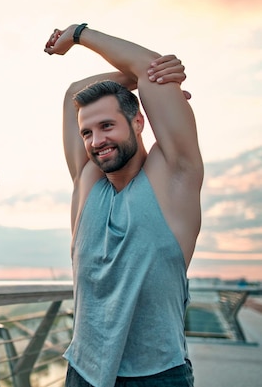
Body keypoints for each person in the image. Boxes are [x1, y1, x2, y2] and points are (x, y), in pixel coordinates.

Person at [44, 24, 203, 387]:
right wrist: (134, 76)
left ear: (137, 121)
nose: (96, 141)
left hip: (158, 377)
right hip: (81, 372)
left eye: (107, 126)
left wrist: (79, 33)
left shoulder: (174, 179)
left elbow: (148, 64)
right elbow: (74, 94)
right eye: (87, 132)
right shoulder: (87, 183)